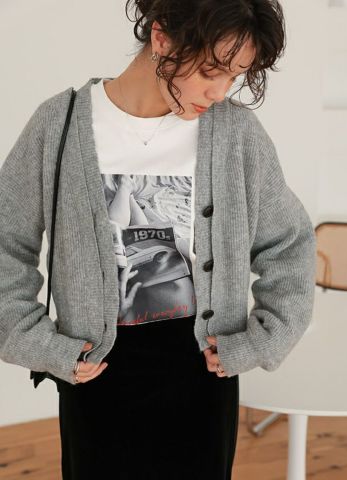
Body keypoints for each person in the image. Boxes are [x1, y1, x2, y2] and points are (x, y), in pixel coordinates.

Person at [0, 1, 317, 479]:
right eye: (210, 70)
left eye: (234, 76)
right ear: (162, 38)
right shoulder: (59, 124)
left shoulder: (235, 133)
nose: (219, 91)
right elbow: (6, 242)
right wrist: (36, 343)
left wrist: (260, 341)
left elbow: (289, 244)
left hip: (201, 376)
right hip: (94, 376)